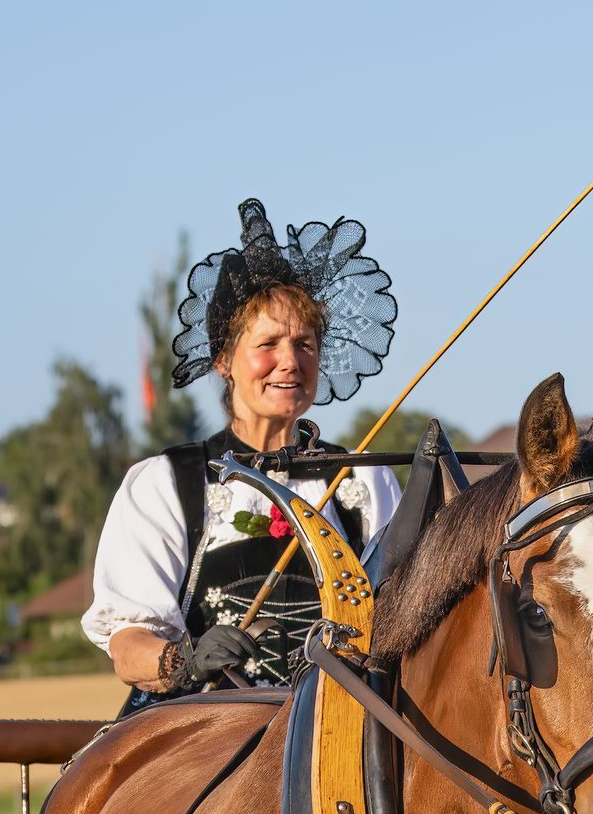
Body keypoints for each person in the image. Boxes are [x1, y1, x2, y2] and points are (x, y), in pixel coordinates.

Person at [82, 198, 402, 713]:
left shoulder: (362, 480)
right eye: (268, 343)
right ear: (224, 361)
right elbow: (127, 645)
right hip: (199, 731)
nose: (290, 362)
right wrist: (183, 661)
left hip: (333, 732)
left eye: (305, 344)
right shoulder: (167, 484)